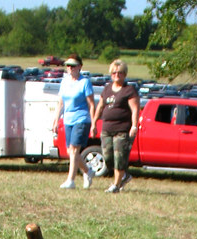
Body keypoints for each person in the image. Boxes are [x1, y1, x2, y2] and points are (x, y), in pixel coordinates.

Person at [91, 59, 140, 193]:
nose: (116, 75)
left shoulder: (129, 90)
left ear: (124, 74)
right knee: (107, 157)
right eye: (114, 73)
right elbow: (100, 106)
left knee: (120, 157)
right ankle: (124, 176)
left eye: (119, 73)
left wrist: (134, 126)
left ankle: (116, 185)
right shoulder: (107, 89)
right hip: (107, 129)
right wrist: (94, 123)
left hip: (122, 130)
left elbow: (135, 109)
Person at [53, 54, 96, 189]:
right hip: (68, 119)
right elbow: (60, 103)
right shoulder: (64, 82)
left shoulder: (85, 82)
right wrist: (55, 120)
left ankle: (70, 180)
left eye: (73, 65)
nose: (70, 68)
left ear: (80, 67)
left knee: (74, 149)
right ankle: (88, 171)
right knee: (70, 151)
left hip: (82, 118)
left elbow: (91, 104)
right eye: (68, 66)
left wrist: (93, 123)